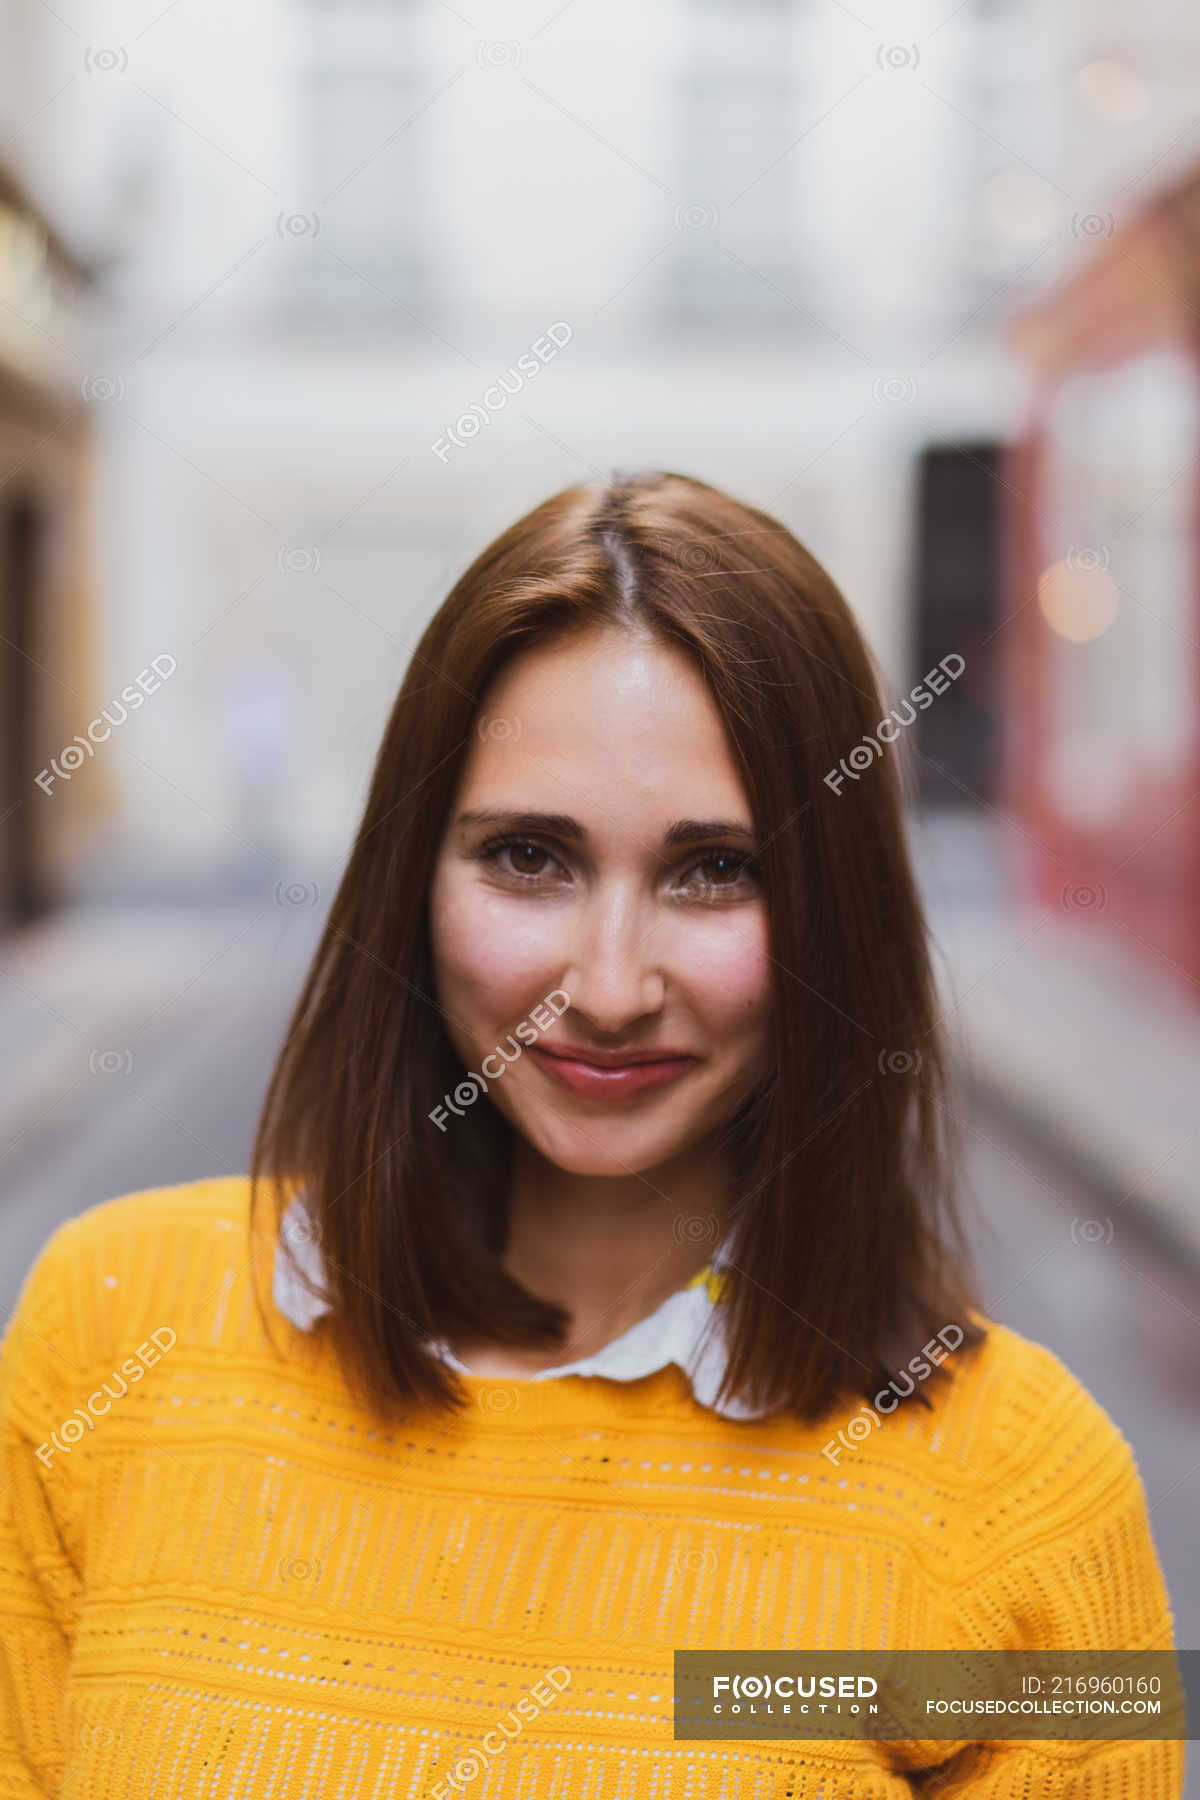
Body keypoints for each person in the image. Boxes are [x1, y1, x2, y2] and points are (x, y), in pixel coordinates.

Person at [0, 471, 1181, 1797]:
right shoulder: (110, 1326)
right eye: (528, 857)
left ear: (831, 912)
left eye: (716, 870)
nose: (611, 988)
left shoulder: (1029, 1487)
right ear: (411, 875)